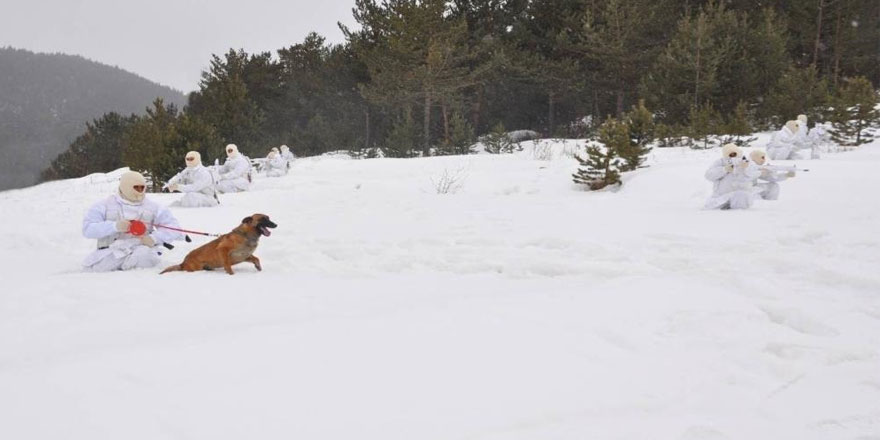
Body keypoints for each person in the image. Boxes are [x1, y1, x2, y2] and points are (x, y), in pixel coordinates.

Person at [82, 170, 183, 271]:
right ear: (126, 186)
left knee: (145, 255)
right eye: (136, 187)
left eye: (142, 187)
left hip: (141, 252)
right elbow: (88, 229)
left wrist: (154, 238)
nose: (140, 190)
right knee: (97, 267)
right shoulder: (103, 205)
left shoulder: (154, 207)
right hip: (109, 253)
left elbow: (173, 228)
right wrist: (115, 226)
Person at [704, 143, 761, 210]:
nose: (732, 155)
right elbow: (708, 175)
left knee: (741, 196)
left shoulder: (746, 161)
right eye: (730, 154)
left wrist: (746, 168)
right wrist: (724, 169)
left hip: (740, 196)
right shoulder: (721, 162)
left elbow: (755, 174)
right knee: (711, 206)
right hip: (722, 196)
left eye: (734, 153)